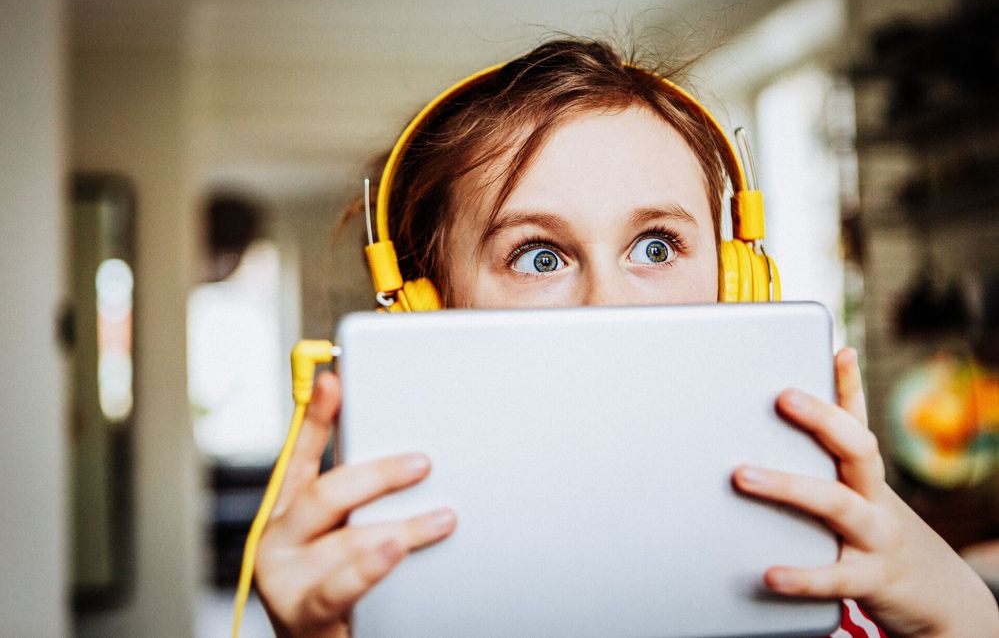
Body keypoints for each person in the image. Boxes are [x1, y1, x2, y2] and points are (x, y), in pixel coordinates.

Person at [252, 38, 999, 637]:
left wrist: (956, 615)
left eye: (654, 246)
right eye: (538, 257)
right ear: (428, 309)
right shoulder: (391, 588)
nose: (607, 304)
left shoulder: (838, 539)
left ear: (737, 278)